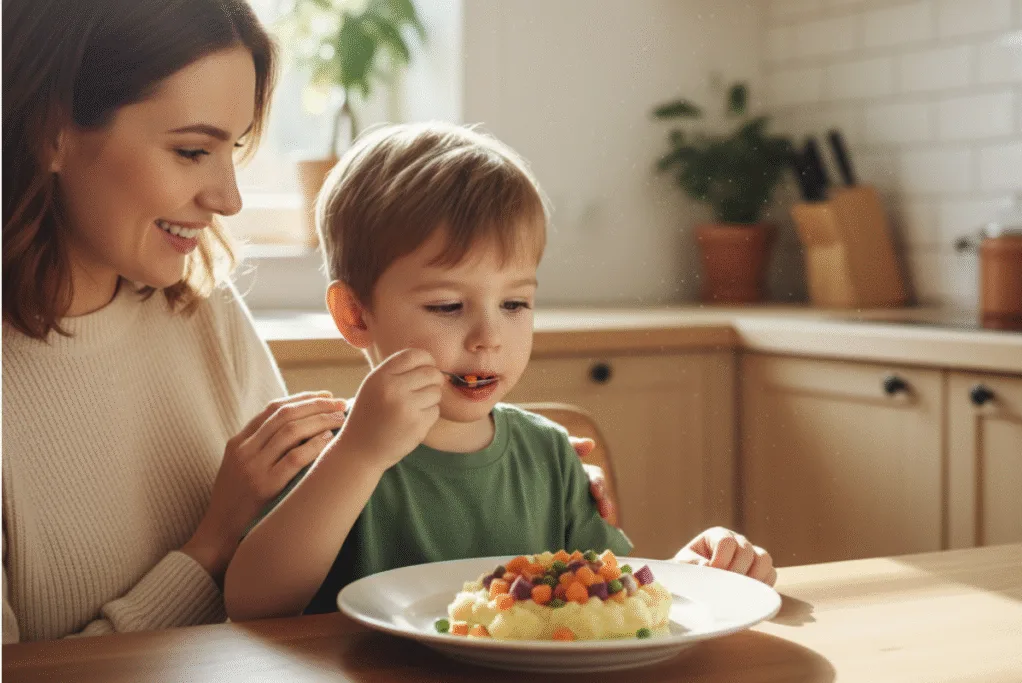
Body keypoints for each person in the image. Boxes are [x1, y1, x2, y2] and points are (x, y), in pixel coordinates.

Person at [0, 0, 613, 643]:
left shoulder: (201, 307)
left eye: (232, 149)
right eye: (190, 150)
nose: (229, 199)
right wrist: (209, 546)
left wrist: (502, 475)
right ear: (51, 132)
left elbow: (321, 500)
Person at [224, 123, 776, 622]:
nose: (489, 337)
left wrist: (691, 575)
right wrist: (358, 456)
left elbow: (609, 602)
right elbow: (252, 605)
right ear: (355, 315)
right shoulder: (321, 448)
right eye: (446, 307)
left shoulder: (551, 456)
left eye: (515, 305)